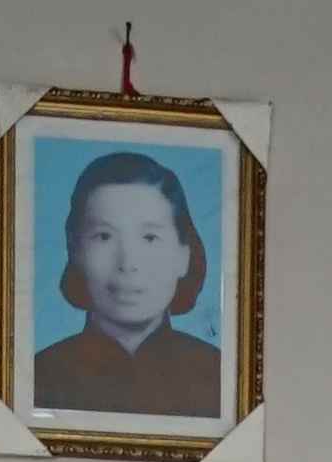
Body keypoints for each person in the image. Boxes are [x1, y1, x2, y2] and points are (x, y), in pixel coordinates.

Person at [32, 150, 226, 421]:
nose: (128, 263)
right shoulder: (36, 378)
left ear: (184, 255)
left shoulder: (221, 378)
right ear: (75, 251)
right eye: (104, 236)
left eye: (149, 237)